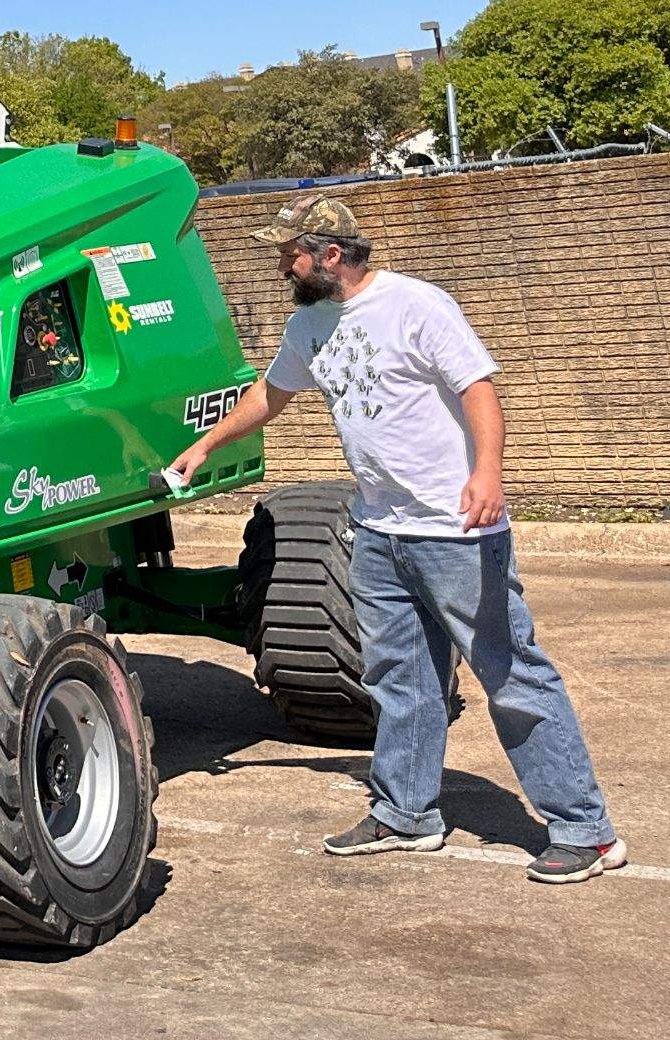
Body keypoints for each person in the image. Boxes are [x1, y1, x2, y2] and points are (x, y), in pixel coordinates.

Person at [165, 192, 624, 885]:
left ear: (329, 254)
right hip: (379, 530)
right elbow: (269, 396)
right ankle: (408, 815)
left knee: (511, 674)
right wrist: (203, 447)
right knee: (399, 679)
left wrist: (488, 474)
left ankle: (585, 832)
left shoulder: (418, 305)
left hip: (455, 530)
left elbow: (479, 390)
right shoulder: (309, 325)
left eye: (290, 253)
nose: (282, 265)